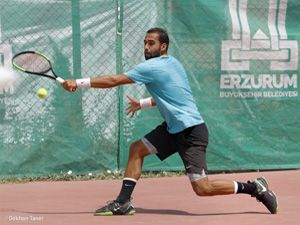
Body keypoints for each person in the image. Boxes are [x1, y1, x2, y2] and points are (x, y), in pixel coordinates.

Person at [62, 27, 278, 216]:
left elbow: (113, 80)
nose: (146, 47)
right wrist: (143, 103)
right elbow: (171, 96)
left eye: (151, 43)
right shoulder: (174, 64)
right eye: (145, 43)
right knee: (137, 149)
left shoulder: (152, 67)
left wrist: (77, 83)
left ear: (163, 46)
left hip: (191, 132)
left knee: (202, 188)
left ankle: (254, 188)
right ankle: (123, 202)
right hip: (173, 129)